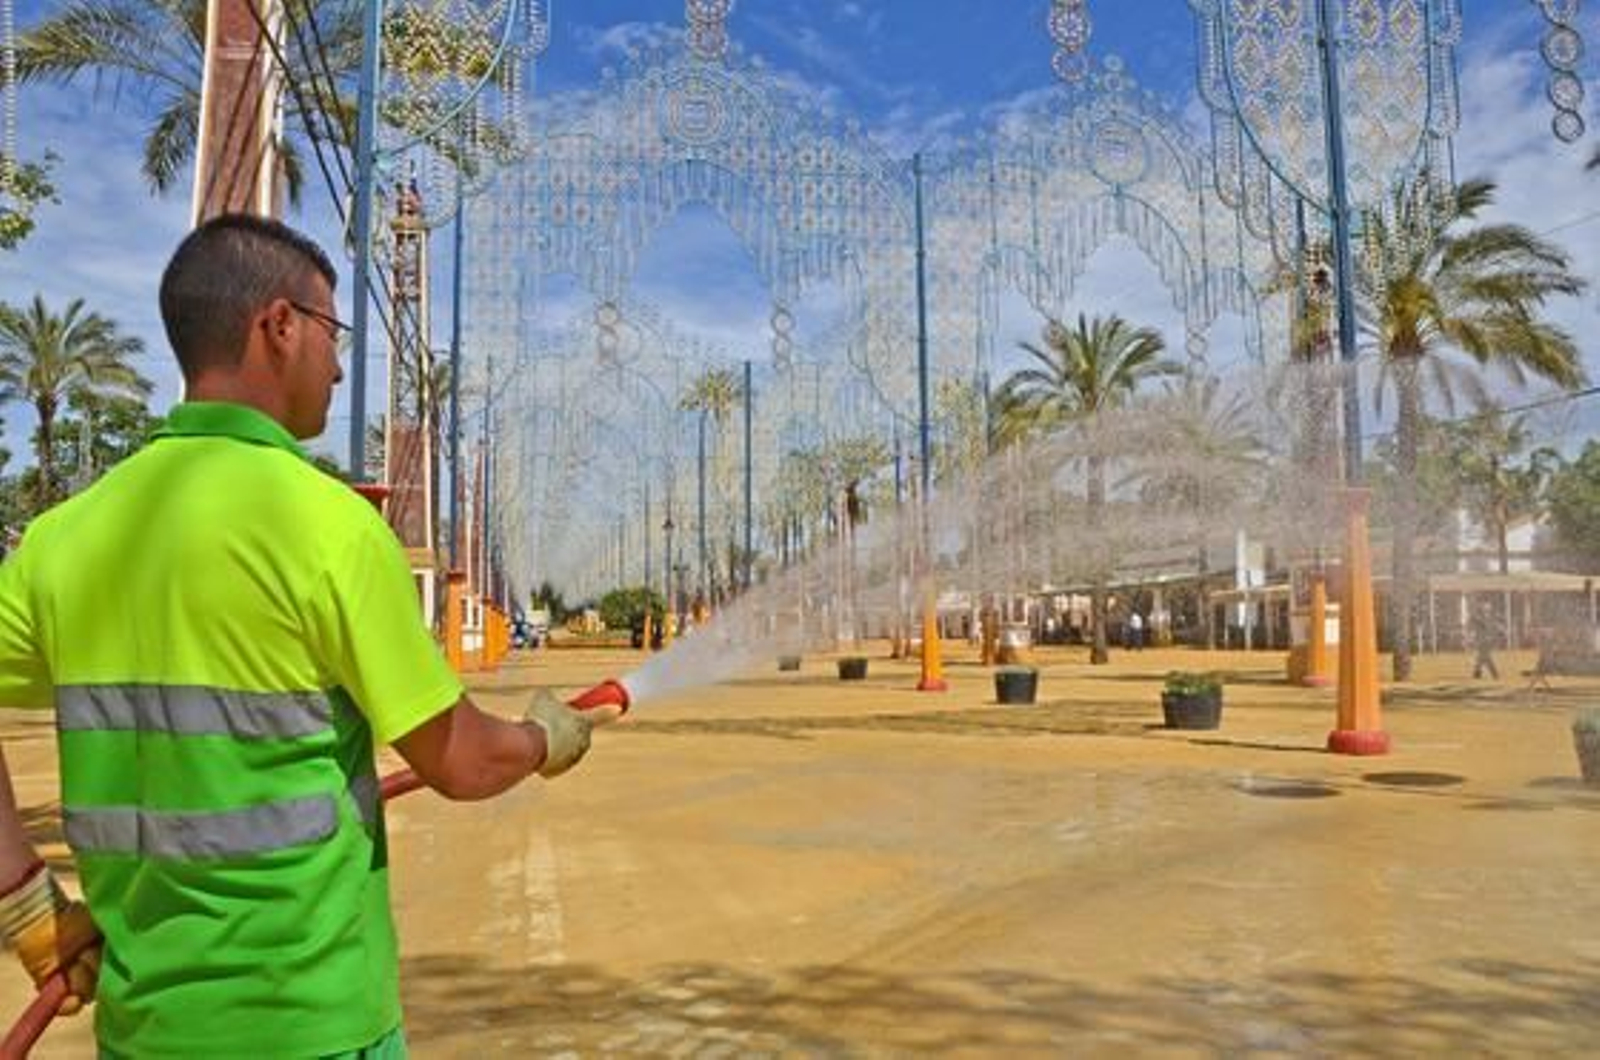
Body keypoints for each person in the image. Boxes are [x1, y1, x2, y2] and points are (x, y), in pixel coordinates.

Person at [0, 215, 601, 1057]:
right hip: (311, 1024)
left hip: (145, 1032)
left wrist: (24, 899)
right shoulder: (328, 527)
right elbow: (460, 760)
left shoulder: (66, 538)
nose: (341, 361)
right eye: (332, 331)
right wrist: (544, 738)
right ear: (278, 327)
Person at [1470, 600, 1500, 680]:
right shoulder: (1479, 617)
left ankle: (1477, 673)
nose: (1487, 607)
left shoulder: (1491, 618)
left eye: (1488, 606)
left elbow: (1493, 628)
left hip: (1488, 641)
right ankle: (1492, 673)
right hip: (1481, 641)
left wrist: (1494, 636)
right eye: (1485, 606)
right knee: (1485, 657)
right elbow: (1473, 619)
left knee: (1483, 657)